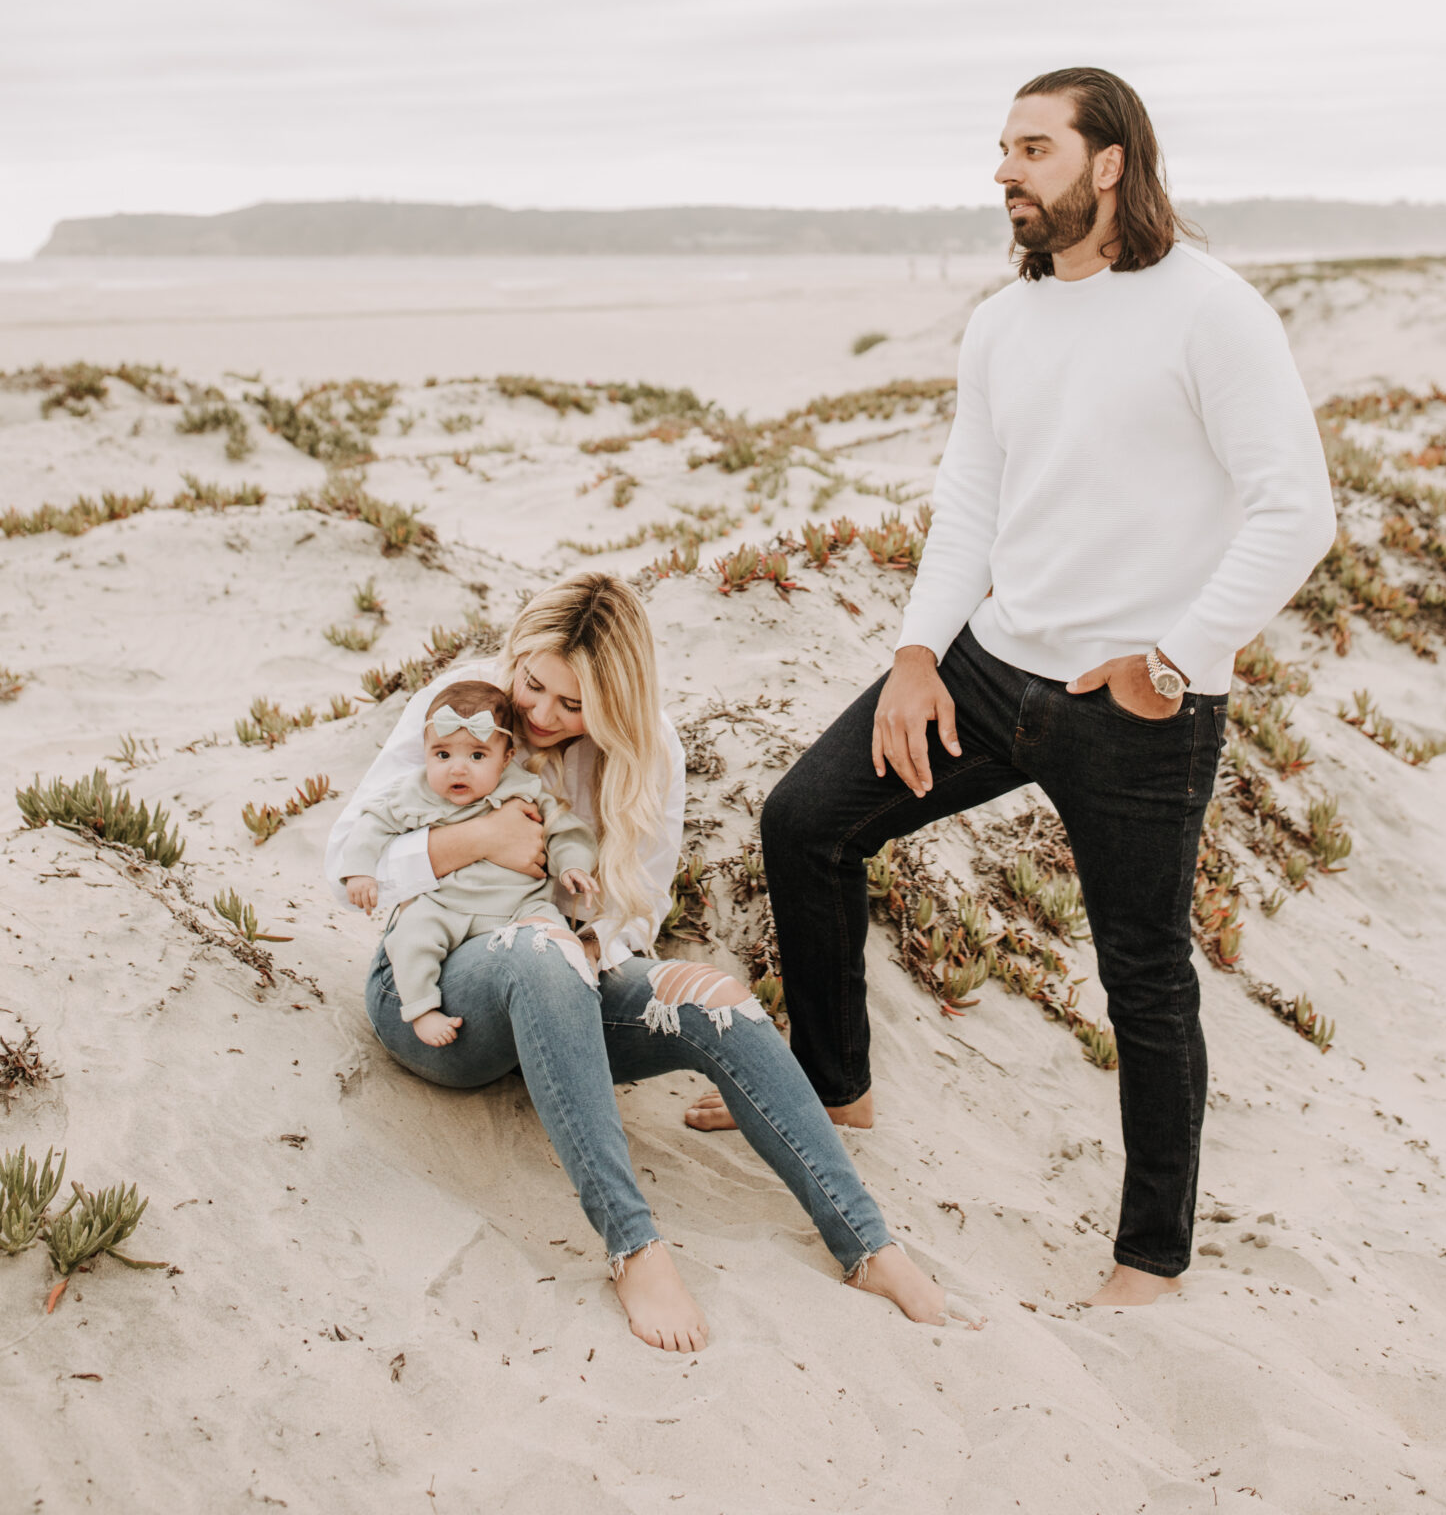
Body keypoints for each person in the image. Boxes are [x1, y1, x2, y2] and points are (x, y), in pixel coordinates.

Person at [724, 67, 1335, 1309]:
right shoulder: (1003, 323)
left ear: (1109, 164)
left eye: (1034, 148)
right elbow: (972, 505)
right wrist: (912, 653)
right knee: (806, 821)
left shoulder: (1209, 311)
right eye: (1001, 149)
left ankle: (1150, 1258)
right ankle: (835, 1084)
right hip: (991, 668)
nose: (1006, 170)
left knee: (1144, 976)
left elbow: (1297, 510)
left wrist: (1173, 661)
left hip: (1135, 708)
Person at [325, 571, 972, 1351]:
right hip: (432, 997)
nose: (540, 715)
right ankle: (634, 1247)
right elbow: (343, 866)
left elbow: (639, 912)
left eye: (573, 706)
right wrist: (476, 841)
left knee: (714, 997)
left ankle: (869, 1246)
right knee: (537, 951)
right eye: (534, 686)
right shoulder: (462, 705)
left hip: (564, 991)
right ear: (518, 654)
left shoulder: (647, 747)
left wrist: (590, 941)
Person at [339, 679, 601, 1044]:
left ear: (506, 757)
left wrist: (573, 865)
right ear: (426, 752)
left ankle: (574, 996)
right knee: (412, 937)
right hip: (444, 904)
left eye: (477, 756)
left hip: (519, 906)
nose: (457, 769)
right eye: (442, 755)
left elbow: (565, 830)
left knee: (553, 938)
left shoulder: (522, 787)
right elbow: (372, 826)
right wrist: (360, 871)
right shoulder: (415, 792)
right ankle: (422, 1009)